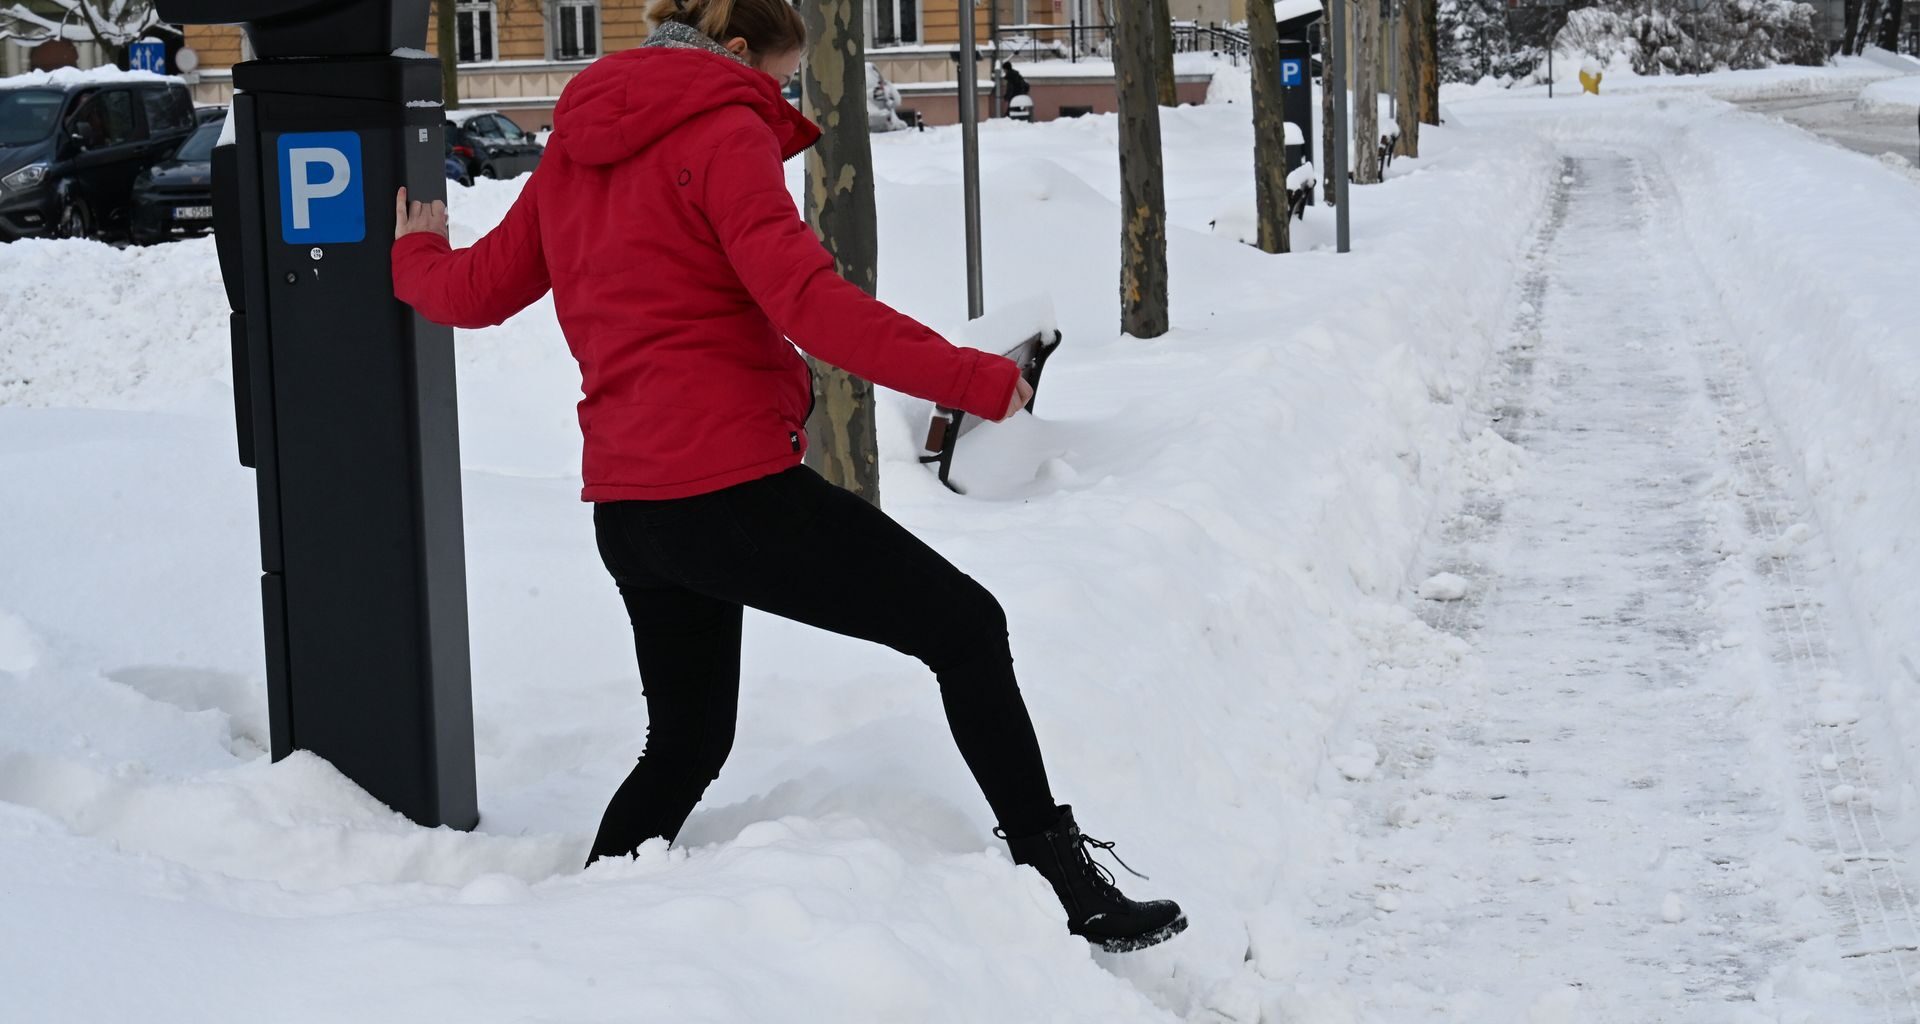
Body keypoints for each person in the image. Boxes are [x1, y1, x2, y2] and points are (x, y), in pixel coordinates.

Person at [389, 0, 1185, 953]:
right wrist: (972, 378)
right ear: (733, 52)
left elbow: (471, 294)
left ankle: (580, 943)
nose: (777, 95)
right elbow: (811, 302)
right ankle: (1070, 889)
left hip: (632, 513)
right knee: (968, 630)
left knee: (686, 744)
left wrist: (415, 250)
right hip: (729, 496)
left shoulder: (573, 147)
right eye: (775, 75)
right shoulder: (722, 130)